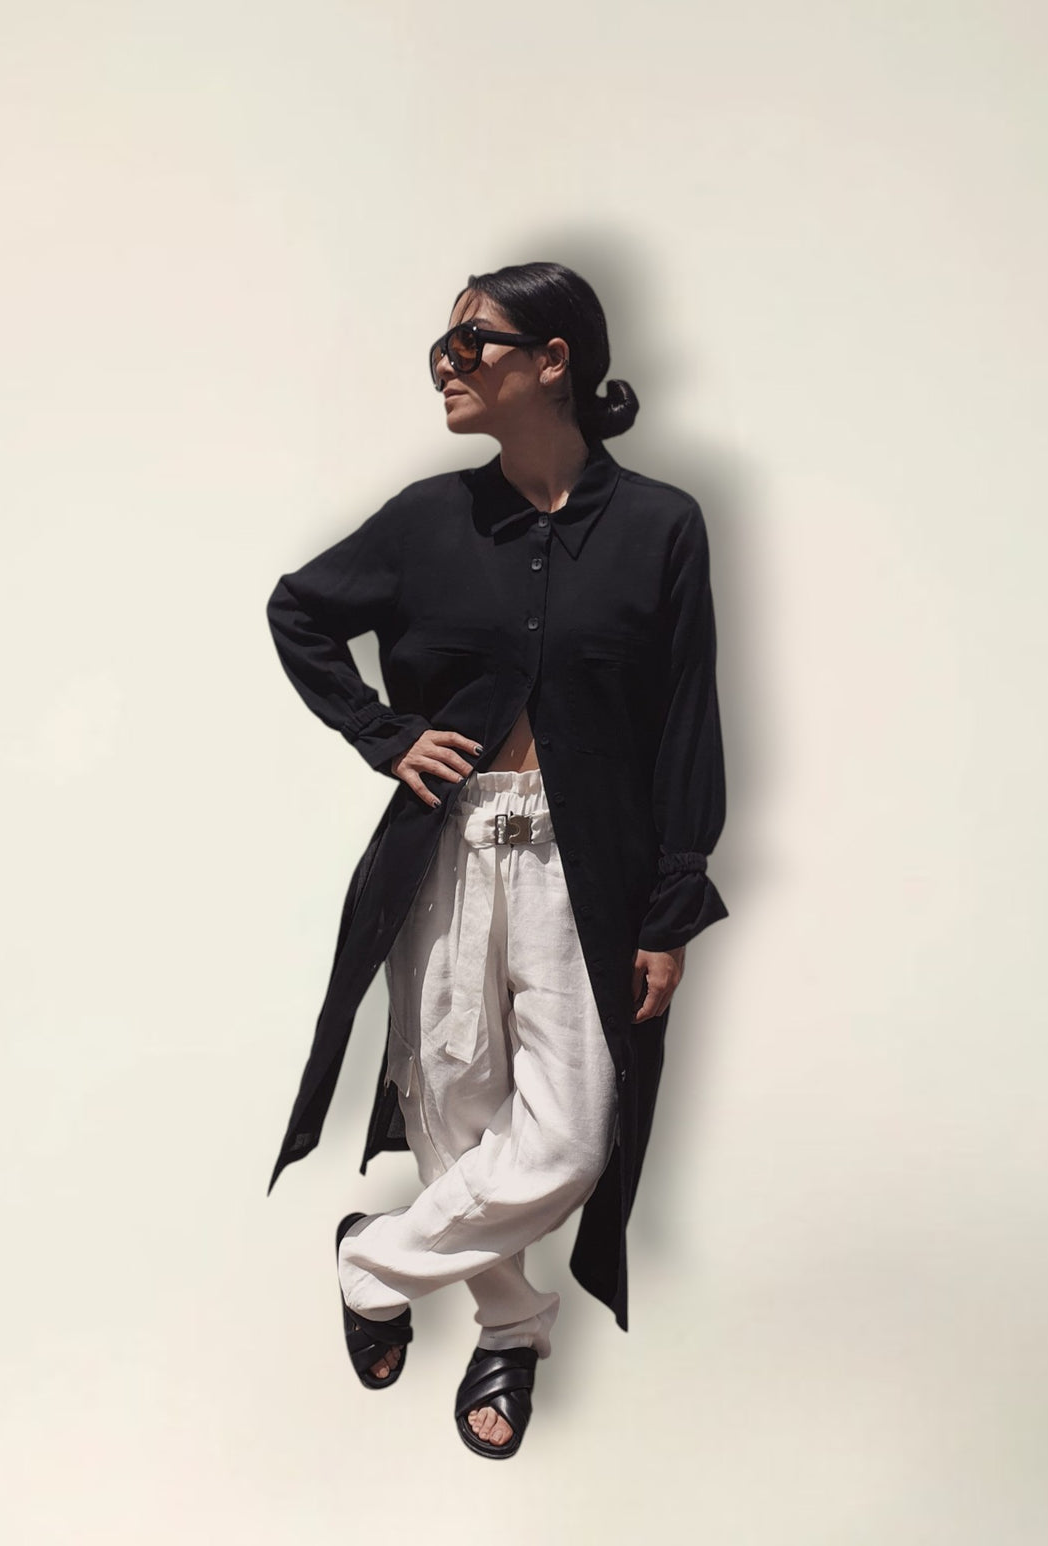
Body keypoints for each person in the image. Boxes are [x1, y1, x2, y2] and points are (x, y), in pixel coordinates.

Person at [266, 261, 729, 1459]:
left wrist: (672, 907)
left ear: (554, 359)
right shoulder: (428, 519)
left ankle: (375, 1263)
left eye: (472, 341)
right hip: (450, 848)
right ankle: (511, 1330)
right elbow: (298, 610)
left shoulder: (662, 527)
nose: (446, 361)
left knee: (568, 1136)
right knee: (453, 1108)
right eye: (443, 342)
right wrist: (384, 735)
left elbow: (687, 719)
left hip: (590, 865)